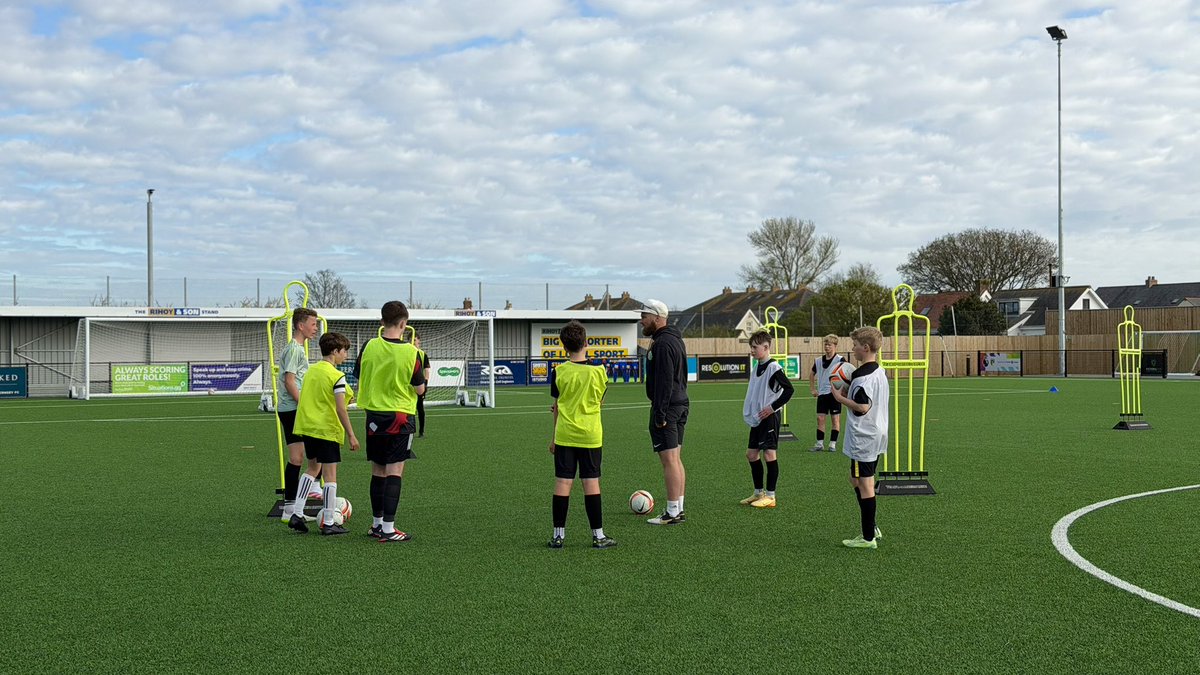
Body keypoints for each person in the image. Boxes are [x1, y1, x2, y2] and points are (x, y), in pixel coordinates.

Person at [355, 301, 427, 543]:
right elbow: (419, 389)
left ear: (381, 321)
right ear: (404, 324)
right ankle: (388, 528)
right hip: (400, 416)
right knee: (395, 471)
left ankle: (376, 524)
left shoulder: (368, 346)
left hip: (373, 416)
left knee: (377, 470)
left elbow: (359, 374)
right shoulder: (411, 352)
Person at [547, 320, 616, 549]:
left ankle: (558, 536)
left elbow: (557, 407)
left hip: (565, 434)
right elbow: (600, 402)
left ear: (563, 346)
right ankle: (598, 536)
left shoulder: (558, 372)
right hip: (590, 435)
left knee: (562, 482)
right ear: (586, 343)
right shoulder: (600, 372)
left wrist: (554, 438)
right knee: (591, 482)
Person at [289, 332, 359, 535]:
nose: (346, 355)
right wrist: (351, 434)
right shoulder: (336, 376)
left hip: (308, 427)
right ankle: (329, 522)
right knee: (330, 477)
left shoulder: (311, 371)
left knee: (312, 468)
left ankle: (297, 513)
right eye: (344, 351)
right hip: (326, 429)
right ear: (335, 351)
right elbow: (340, 408)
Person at [829, 326, 889, 549]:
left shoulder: (863, 379)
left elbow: (863, 407)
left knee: (864, 484)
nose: (852, 349)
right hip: (877, 433)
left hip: (864, 436)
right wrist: (849, 391)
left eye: (855, 345)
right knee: (857, 479)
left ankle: (868, 537)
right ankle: (871, 527)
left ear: (865, 347)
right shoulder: (878, 371)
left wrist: (840, 398)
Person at [640, 299, 689, 525]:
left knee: (669, 460)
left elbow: (665, 381)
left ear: (657, 318)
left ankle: (672, 512)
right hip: (680, 404)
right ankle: (678, 508)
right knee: (675, 459)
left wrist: (659, 413)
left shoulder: (662, 343)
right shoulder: (675, 339)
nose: (641, 321)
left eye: (644, 317)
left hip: (668, 408)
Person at [277, 306, 323, 523]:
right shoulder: (294, 350)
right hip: (293, 409)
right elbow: (289, 382)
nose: (316, 328)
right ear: (300, 325)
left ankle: (290, 508)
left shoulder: (296, 349)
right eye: (313, 324)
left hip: (291, 409)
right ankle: (313, 488)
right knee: (315, 453)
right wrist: (304, 405)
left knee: (297, 457)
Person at [740, 330, 794, 508]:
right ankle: (758, 493)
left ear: (766, 347)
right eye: (751, 347)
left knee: (769, 454)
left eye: (755, 347)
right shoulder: (757, 366)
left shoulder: (774, 368)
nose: (752, 350)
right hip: (758, 418)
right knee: (751, 454)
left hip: (769, 417)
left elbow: (789, 390)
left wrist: (772, 407)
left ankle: (771, 496)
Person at [808, 334, 846, 453]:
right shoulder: (818, 360)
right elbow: (811, 374)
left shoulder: (840, 359)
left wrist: (842, 391)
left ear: (835, 346)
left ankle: (832, 444)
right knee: (820, 418)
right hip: (822, 394)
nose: (827, 347)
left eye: (829, 345)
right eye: (825, 344)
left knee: (835, 419)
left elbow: (846, 374)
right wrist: (813, 389)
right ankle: (819, 444)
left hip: (835, 394)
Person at [412, 334, 431, 438]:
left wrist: (425, 384)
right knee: (408, 408)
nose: (413, 342)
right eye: (411, 340)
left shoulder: (423, 354)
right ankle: (410, 430)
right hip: (408, 386)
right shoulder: (406, 353)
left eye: (415, 340)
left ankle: (421, 431)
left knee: (420, 407)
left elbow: (427, 370)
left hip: (419, 385)